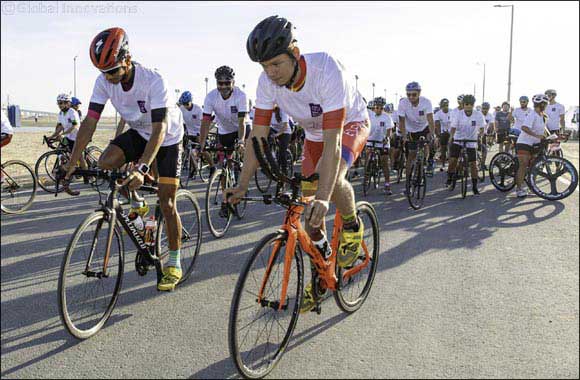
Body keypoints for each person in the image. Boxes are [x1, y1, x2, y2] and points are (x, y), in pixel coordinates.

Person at [226, 15, 369, 313]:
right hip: (314, 134)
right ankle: (321, 270)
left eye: (276, 64)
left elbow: (333, 143)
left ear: (295, 53)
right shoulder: (267, 83)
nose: (270, 73)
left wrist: (324, 197)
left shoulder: (326, 70)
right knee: (307, 216)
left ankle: (353, 225)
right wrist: (241, 184)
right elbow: (258, 138)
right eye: (264, 66)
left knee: (330, 182)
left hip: (349, 125)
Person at [63, 27, 185, 291]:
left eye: (113, 71)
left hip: (167, 135)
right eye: (103, 73)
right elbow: (89, 123)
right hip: (140, 131)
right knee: (105, 163)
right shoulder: (104, 81)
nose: (108, 78)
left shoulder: (153, 80)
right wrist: (72, 163)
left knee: (167, 201)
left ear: (127, 61)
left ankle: (174, 261)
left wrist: (141, 167)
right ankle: (138, 205)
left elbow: (159, 129)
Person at [199, 66, 248, 215]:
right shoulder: (211, 97)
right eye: (220, 83)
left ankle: (242, 183)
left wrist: (240, 141)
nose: (224, 86)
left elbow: (242, 122)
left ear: (233, 82)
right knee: (223, 166)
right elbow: (206, 121)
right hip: (224, 131)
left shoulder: (241, 96)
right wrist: (201, 143)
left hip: (240, 130)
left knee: (245, 155)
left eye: (227, 83)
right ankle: (226, 201)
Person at [398, 81, 435, 189]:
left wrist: (432, 134)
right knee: (411, 155)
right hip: (411, 130)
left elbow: (431, 119)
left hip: (424, 128)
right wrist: (404, 136)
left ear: (419, 93)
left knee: (426, 144)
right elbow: (401, 121)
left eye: (414, 94)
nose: (411, 97)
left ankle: (425, 163)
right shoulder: (403, 103)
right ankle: (408, 181)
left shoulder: (426, 102)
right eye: (408, 94)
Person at [446, 94, 485, 195]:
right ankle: (450, 176)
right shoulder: (458, 114)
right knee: (453, 160)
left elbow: (481, 128)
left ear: (473, 105)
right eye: (466, 104)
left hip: (471, 141)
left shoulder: (478, 114)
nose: (468, 106)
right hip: (458, 139)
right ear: (463, 105)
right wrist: (451, 137)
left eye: (471, 104)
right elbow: (453, 127)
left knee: (473, 164)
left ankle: (474, 186)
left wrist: (480, 136)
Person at [514, 94, 551, 198]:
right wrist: (537, 135)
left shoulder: (543, 116)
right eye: (545, 104)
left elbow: (544, 130)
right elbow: (524, 127)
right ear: (542, 104)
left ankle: (532, 188)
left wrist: (553, 137)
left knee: (534, 166)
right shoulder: (532, 114)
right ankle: (519, 189)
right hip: (524, 142)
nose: (546, 106)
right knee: (523, 165)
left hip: (535, 144)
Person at [366, 96, 393, 194]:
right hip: (370, 140)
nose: (379, 109)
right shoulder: (370, 115)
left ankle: (387, 184)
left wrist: (387, 138)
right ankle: (366, 177)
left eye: (381, 108)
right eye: (377, 107)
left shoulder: (387, 117)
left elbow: (389, 130)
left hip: (382, 142)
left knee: (384, 163)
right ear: (374, 107)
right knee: (368, 156)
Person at [434, 98, 452, 171]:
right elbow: (437, 124)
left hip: (451, 131)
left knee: (451, 149)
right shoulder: (438, 114)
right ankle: (443, 164)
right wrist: (439, 134)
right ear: (441, 106)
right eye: (443, 105)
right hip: (443, 131)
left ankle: (451, 165)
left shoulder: (452, 112)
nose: (445, 107)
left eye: (446, 105)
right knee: (443, 149)